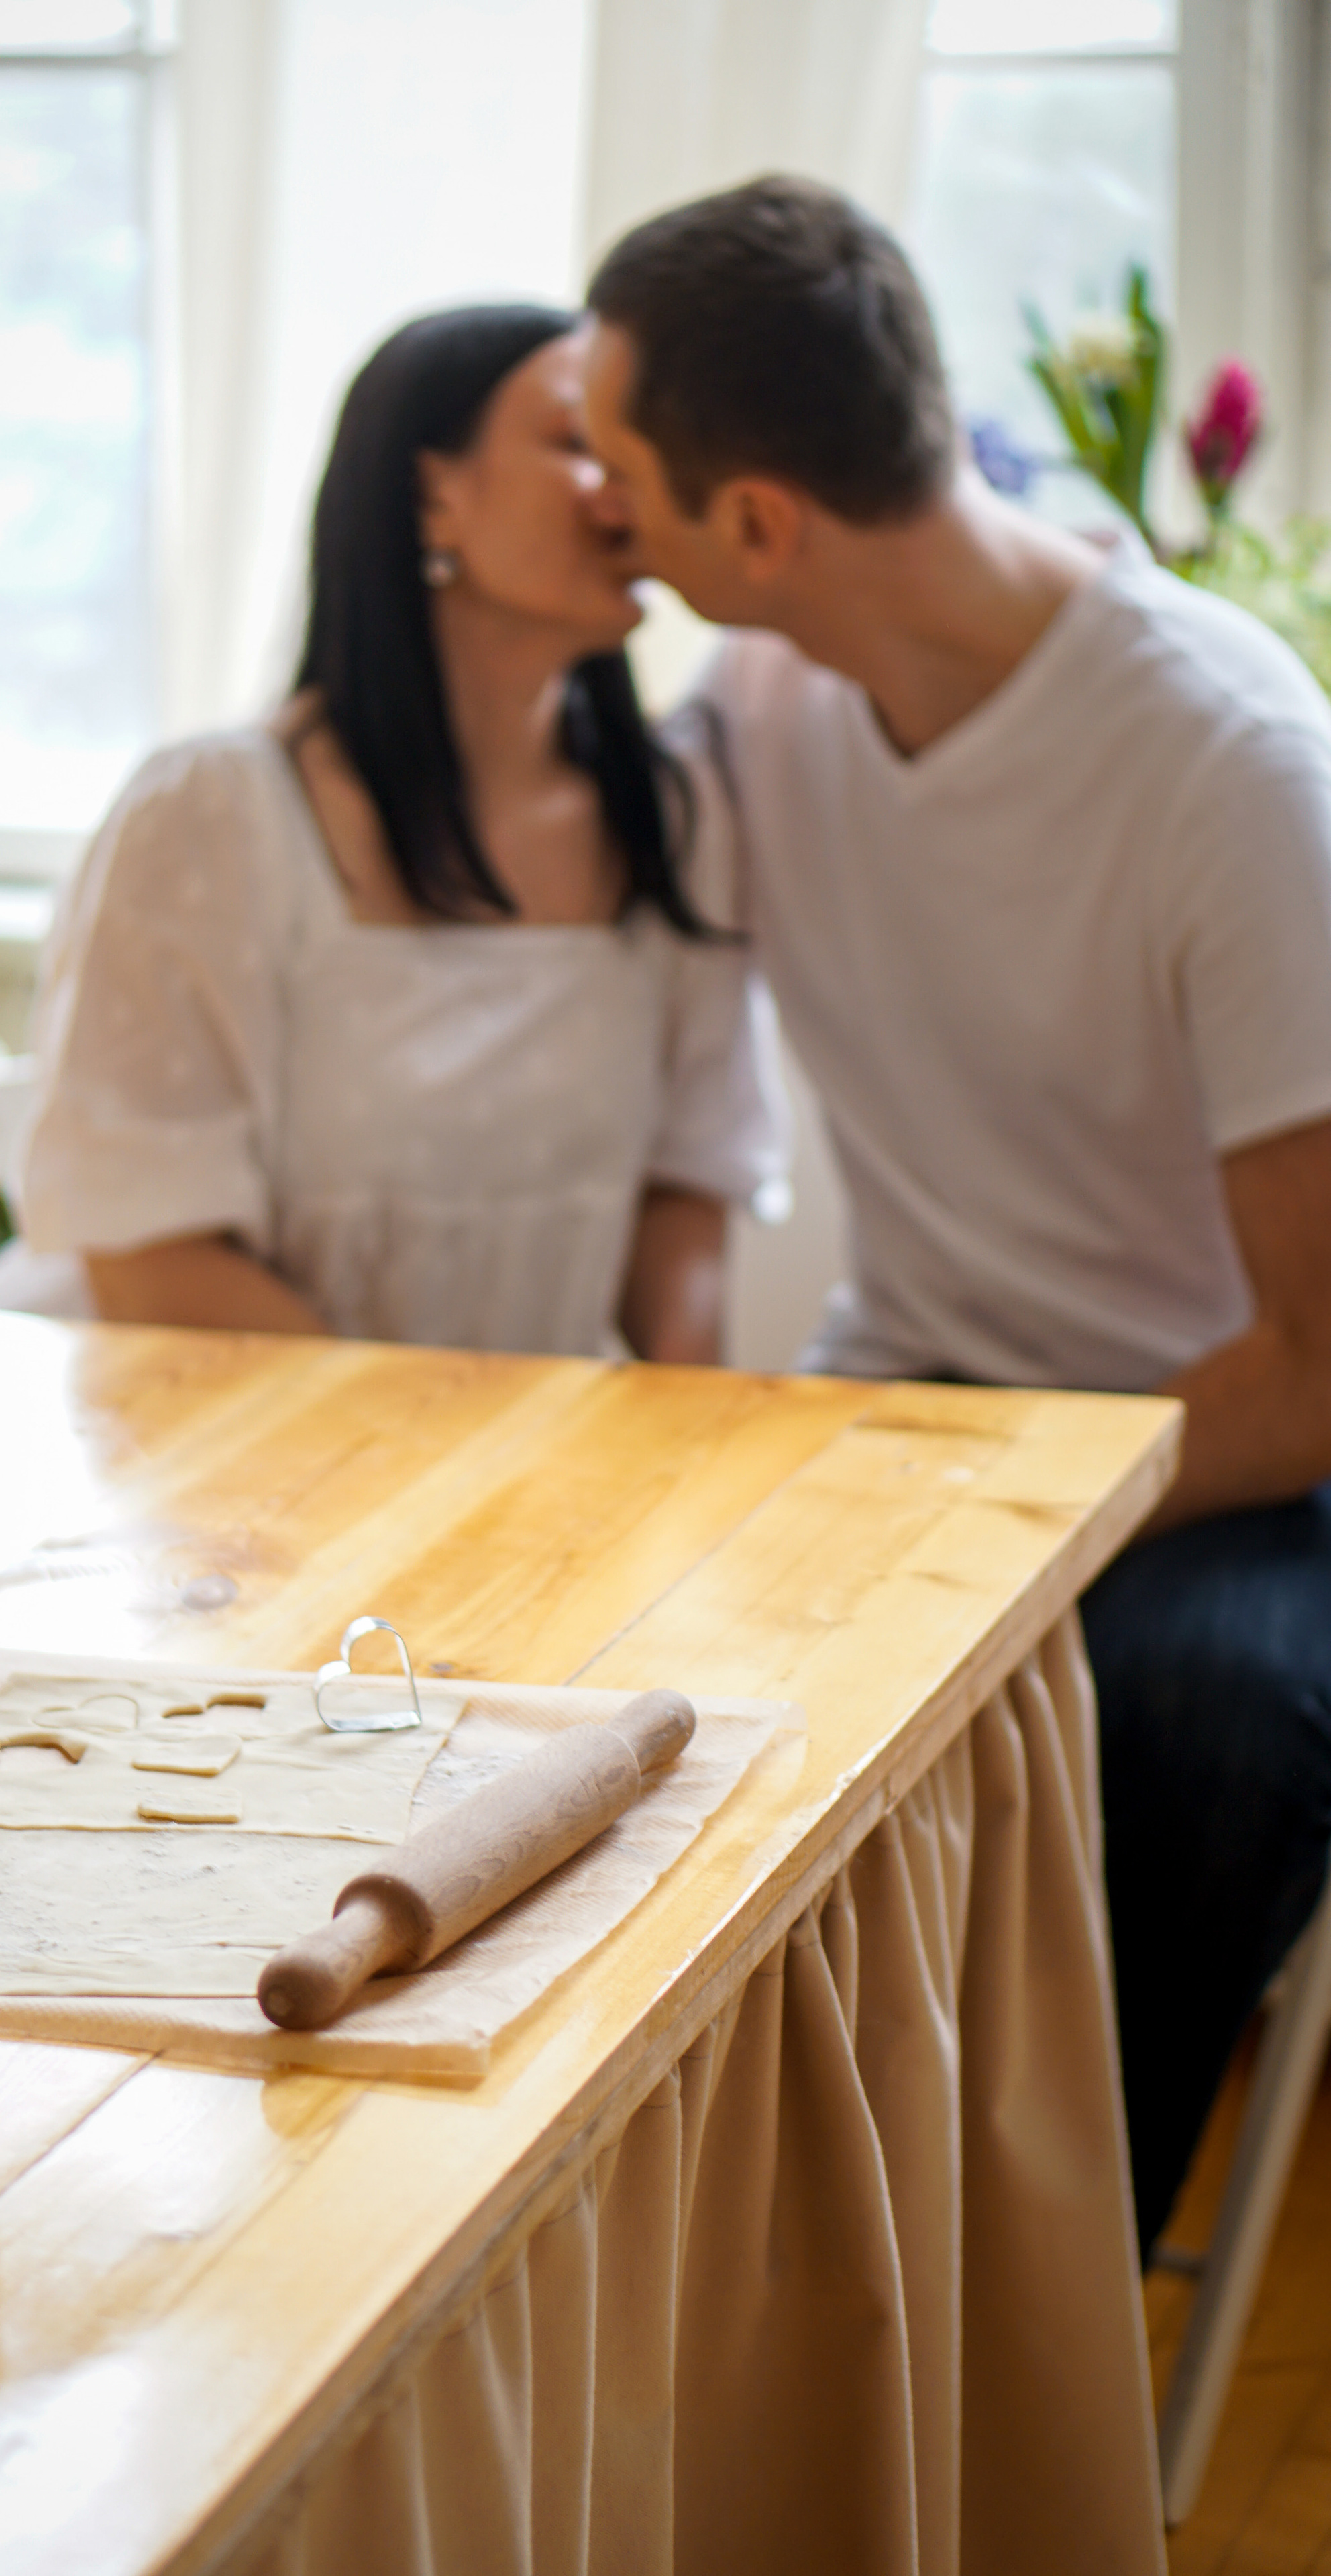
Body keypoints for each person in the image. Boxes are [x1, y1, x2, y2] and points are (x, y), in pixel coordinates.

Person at [580, 175, 1331, 2254]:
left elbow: (1320, 1367)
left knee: (1187, 1717)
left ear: (757, 529)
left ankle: (1024, 2314)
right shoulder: (758, 710)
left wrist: (1003, 1522)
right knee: (635, 1664)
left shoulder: (1231, 764)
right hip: (907, 1405)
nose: (598, 513)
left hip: (1223, 1460)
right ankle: (741, 2273)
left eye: (620, 478)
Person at [0, 304, 778, 1361]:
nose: (630, 496)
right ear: (432, 494)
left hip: (530, 1470)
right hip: (210, 1453)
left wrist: (685, 1463)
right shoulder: (214, 816)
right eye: (580, 446)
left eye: (641, 457)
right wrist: (434, 1470)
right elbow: (151, 1256)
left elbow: (684, 1200)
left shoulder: (680, 818)